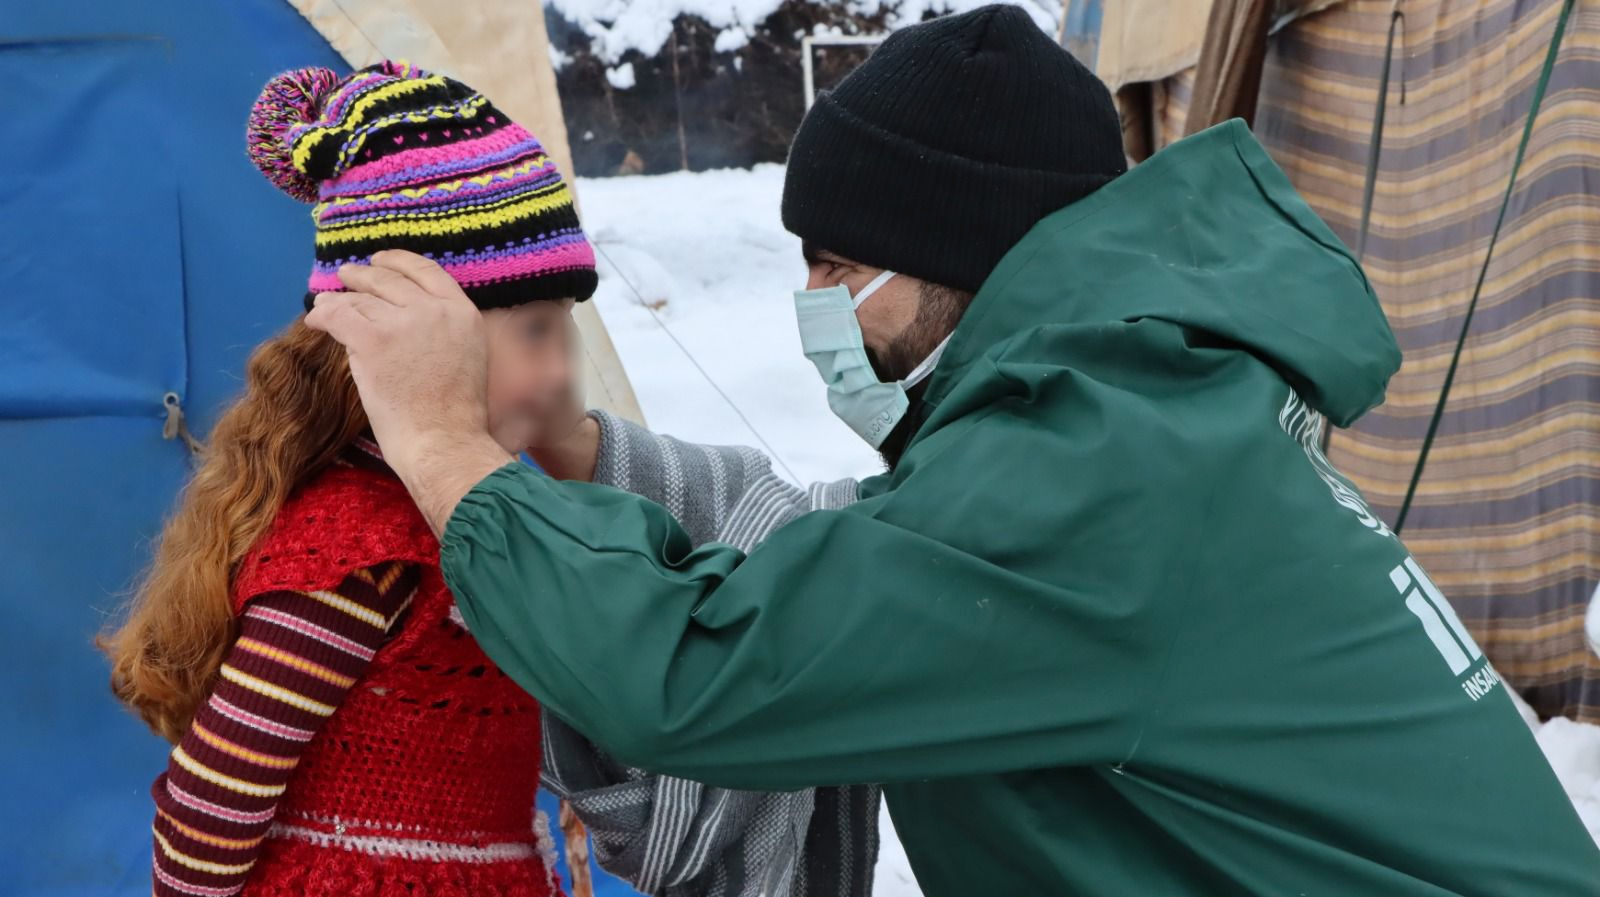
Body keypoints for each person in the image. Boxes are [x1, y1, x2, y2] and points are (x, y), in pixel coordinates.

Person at [306, 8, 1600, 897]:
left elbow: (703, 673)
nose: (810, 305)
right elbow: (849, 565)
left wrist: (443, 447)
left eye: (837, 264)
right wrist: (592, 451)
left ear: (958, 256)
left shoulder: (1076, 486)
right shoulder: (1139, 414)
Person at [101, 61, 812, 897]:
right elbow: (205, 810)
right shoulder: (361, 553)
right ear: (415, 339)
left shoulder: (471, 510)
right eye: (535, 332)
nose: (560, 375)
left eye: (566, 332)